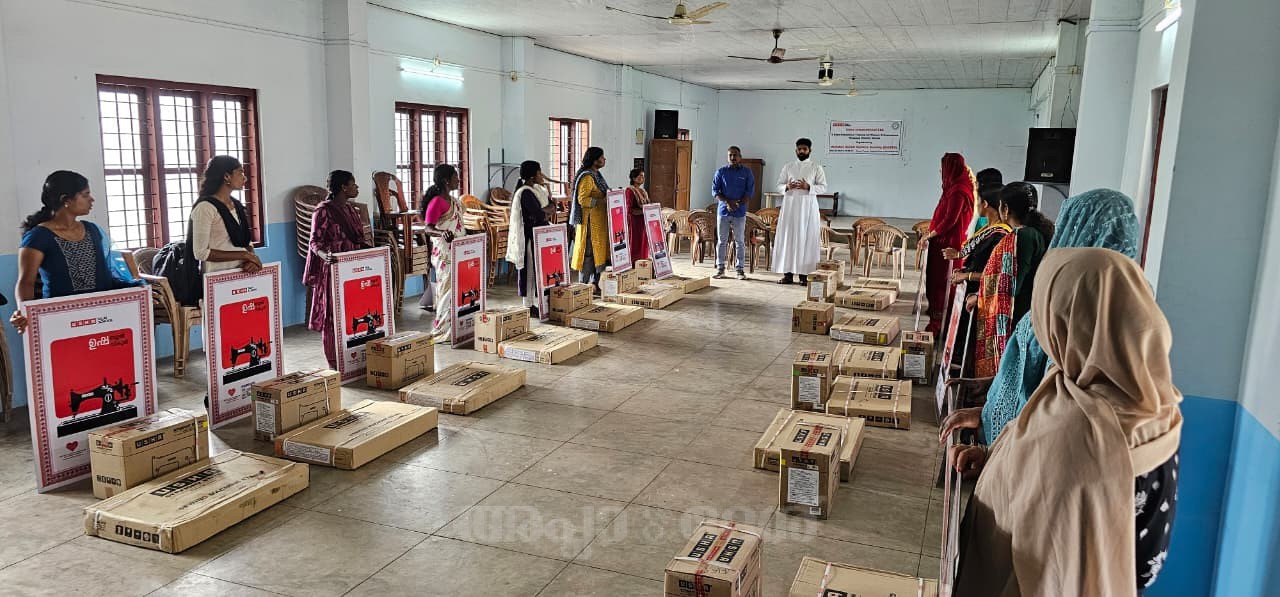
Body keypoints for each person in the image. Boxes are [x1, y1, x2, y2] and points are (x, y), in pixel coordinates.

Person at [953, 248, 1182, 596]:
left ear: (1065, 320)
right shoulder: (1156, 405)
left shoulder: (1076, 431)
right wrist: (993, 458)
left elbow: (1044, 562)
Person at [10, 171, 139, 333]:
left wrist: (136, 290)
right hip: (60, 319)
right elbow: (26, 282)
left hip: (103, 315)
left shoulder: (93, 230)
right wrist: (24, 312)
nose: (91, 199)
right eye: (85, 195)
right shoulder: (38, 237)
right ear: (66, 200)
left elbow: (106, 273)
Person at [970, 182, 1053, 377]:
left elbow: (1010, 283)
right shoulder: (1033, 233)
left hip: (1016, 314)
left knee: (1009, 368)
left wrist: (980, 297)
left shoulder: (1022, 236)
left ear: (1005, 209)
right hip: (1026, 310)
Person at [942, 169, 1010, 375]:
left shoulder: (1001, 235)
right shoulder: (989, 230)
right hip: (970, 294)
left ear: (985, 204)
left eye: (978, 201)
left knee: (972, 345)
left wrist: (967, 275)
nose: (976, 205)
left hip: (981, 298)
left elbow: (998, 273)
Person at [303, 170, 370, 369]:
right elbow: (314, 242)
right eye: (353, 184)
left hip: (353, 269)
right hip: (333, 270)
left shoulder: (350, 209)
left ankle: (354, 356)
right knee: (332, 315)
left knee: (353, 311)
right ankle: (334, 361)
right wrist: (326, 256)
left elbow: (357, 239)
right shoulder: (323, 211)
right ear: (343, 187)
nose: (357, 187)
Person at [919, 153, 975, 334]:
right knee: (936, 279)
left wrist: (929, 235)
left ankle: (940, 323)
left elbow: (950, 220)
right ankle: (938, 316)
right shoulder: (953, 188)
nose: (940, 171)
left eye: (943, 168)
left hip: (948, 245)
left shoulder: (958, 191)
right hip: (941, 242)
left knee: (942, 282)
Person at [189, 155, 261, 277]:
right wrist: (245, 255)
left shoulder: (237, 205)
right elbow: (200, 253)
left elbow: (246, 241)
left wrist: (251, 260)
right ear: (227, 176)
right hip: (217, 277)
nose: (245, 178)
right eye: (240, 172)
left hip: (244, 273)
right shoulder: (205, 208)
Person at [772, 138, 826, 284]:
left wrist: (808, 187)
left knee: (806, 240)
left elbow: (823, 187)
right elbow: (779, 185)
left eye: (805, 149)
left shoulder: (816, 167)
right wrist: (787, 187)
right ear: (795, 150)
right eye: (799, 149)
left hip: (808, 209)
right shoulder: (788, 166)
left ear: (810, 150)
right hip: (790, 208)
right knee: (788, 238)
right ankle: (787, 275)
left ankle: (804, 276)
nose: (802, 151)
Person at [421, 164, 464, 343]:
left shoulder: (454, 201)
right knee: (446, 289)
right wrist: (442, 233)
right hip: (445, 253)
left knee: (458, 288)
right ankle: (443, 329)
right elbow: (428, 228)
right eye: (455, 176)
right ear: (446, 181)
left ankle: (456, 326)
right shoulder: (436, 202)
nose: (458, 179)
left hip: (458, 250)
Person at [506, 160, 554, 315]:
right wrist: (546, 210)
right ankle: (527, 304)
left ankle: (539, 300)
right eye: (540, 172)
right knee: (529, 270)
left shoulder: (538, 189)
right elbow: (539, 214)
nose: (542, 176)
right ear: (533, 176)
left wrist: (547, 210)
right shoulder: (525, 193)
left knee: (538, 268)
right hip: (529, 236)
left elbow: (552, 206)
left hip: (539, 234)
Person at [569, 147, 610, 290]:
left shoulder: (597, 175)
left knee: (598, 254)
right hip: (589, 223)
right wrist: (601, 201)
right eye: (602, 157)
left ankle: (594, 284)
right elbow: (583, 199)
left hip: (598, 223)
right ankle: (583, 285)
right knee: (588, 254)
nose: (604, 159)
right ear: (594, 160)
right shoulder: (587, 177)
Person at [712, 146, 755, 280]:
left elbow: (749, 192)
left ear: (740, 157)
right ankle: (720, 269)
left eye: (735, 155)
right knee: (722, 241)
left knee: (740, 241)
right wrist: (727, 203)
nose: (733, 157)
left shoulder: (747, 172)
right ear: (727, 157)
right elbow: (715, 191)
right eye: (730, 155)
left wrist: (737, 204)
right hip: (723, 211)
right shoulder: (721, 172)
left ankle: (740, 270)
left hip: (739, 212)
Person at [624, 168, 649, 265]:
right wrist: (643, 211)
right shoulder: (629, 191)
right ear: (634, 178)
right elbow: (629, 209)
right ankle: (633, 263)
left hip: (643, 221)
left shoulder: (642, 191)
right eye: (640, 176)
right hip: (634, 221)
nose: (643, 178)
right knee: (635, 242)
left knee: (643, 242)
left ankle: (642, 264)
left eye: (643, 176)